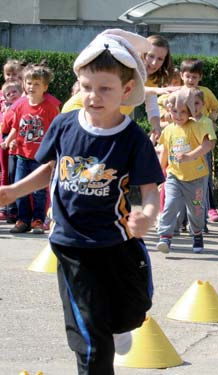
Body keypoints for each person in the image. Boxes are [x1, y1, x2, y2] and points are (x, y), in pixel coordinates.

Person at [0, 29, 164, 374]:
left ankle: (117, 326)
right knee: (91, 341)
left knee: (133, 310)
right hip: (71, 243)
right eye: (87, 87)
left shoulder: (132, 139)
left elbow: (149, 188)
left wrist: (148, 215)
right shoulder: (63, 125)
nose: (94, 97)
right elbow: (50, 169)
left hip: (118, 242)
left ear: (127, 90)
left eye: (105, 88)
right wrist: (14, 191)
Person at [1, 63, 59, 234]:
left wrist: (53, 153)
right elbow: (16, 127)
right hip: (21, 155)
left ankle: (38, 221)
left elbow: (55, 130)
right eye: (29, 83)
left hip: (40, 158)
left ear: (45, 87)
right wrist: (8, 141)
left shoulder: (50, 106)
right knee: (20, 189)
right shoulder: (20, 104)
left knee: (39, 192)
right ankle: (22, 220)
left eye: (36, 84)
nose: (31, 87)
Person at [156, 87, 215, 253]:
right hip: (174, 175)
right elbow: (165, 152)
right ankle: (165, 237)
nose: (178, 115)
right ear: (169, 111)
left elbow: (208, 144)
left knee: (196, 210)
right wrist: (159, 174)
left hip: (196, 177)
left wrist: (190, 156)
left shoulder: (196, 126)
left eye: (183, 111)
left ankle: (197, 233)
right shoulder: (168, 130)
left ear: (189, 111)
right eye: (175, 111)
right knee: (170, 204)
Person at [177, 59, 218, 224]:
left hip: (201, 139)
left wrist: (211, 119)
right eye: (188, 76)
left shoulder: (204, 92)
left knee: (203, 175)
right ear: (182, 75)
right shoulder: (178, 93)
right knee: (180, 176)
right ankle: (182, 216)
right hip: (182, 140)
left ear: (200, 77)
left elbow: (217, 106)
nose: (190, 80)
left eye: (194, 77)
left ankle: (206, 210)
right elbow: (166, 105)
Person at [0, 80, 23, 222]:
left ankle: (18, 210)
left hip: (23, 148)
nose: (11, 95)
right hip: (10, 149)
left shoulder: (23, 106)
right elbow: (6, 130)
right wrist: (8, 141)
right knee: (9, 175)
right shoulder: (7, 110)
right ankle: (10, 208)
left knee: (18, 179)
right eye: (8, 94)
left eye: (14, 91)